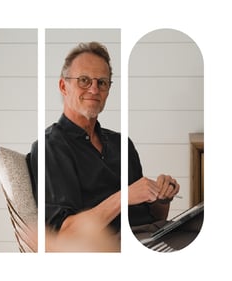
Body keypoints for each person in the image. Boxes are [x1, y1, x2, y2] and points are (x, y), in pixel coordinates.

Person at [26, 42, 180, 250]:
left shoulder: (122, 144)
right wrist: (123, 196)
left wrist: (162, 198)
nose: (94, 89)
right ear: (64, 86)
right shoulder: (51, 148)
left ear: (108, 89)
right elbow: (64, 236)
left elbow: (153, 216)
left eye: (102, 82)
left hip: (156, 234)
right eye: (84, 80)